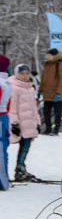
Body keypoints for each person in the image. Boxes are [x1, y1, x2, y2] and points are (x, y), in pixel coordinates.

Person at [8, 64, 41, 181]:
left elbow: (33, 108)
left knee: (26, 145)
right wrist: (14, 123)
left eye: (27, 74)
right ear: (17, 74)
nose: (24, 76)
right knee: (22, 145)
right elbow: (12, 107)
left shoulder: (30, 88)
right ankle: (19, 168)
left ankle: (21, 167)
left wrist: (37, 122)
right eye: (22, 74)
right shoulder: (14, 88)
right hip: (20, 123)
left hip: (29, 123)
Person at [39, 49, 62, 135]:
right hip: (47, 93)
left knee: (57, 112)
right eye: (48, 55)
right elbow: (43, 79)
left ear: (55, 55)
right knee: (46, 112)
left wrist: (59, 92)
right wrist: (40, 90)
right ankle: (48, 129)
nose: (48, 57)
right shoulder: (47, 65)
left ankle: (56, 130)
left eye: (50, 55)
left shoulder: (60, 64)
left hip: (56, 94)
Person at [0, 56, 10, 189]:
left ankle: (2, 181)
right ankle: (4, 177)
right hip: (4, 116)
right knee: (3, 149)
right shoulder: (6, 82)